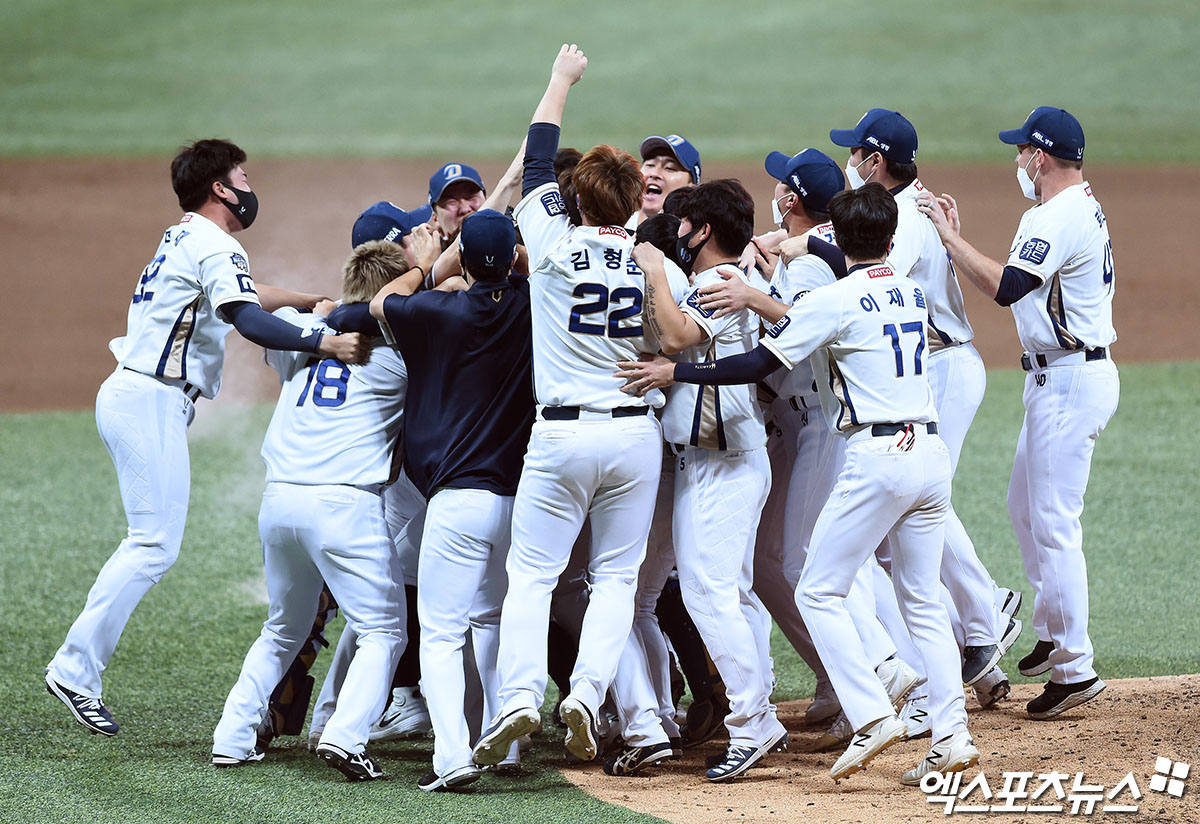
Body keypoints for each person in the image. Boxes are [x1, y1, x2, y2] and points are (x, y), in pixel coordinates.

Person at [617, 183, 979, 786]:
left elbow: (758, 366)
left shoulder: (835, 300)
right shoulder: (911, 292)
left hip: (878, 457)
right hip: (928, 454)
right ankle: (953, 732)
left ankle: (870, 712)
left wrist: (675, 368)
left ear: (839, 238)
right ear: (892, 237)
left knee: (816, 590)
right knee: (919, 599)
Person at [44, 139, 366, 736]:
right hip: (149, 399)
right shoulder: (216, 243)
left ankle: (77, 666)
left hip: (138, 395)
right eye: (240, 175)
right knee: (153, 545)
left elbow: (240, 295)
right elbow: (244, 319)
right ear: (220, 187)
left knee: (151, 541)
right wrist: (321, 339)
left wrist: (299, 300)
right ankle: (75, 668)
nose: (247, 184)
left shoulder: (185, 236)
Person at [470, 44, 664, 769]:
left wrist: (560, 79)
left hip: (559, 439)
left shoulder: (550, 239)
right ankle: (587, 692)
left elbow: (541, 152)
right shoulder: (649, 254)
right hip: (634, 437)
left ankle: (519, 695)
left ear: (579, 201)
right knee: (614, 579)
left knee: (534, 577)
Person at [918, 106, 1118, 720]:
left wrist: (950, 239)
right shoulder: (1064, 208)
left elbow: (1008, 288)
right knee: (1024, 507)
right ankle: (1056, 630)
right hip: (1057, 378)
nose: (1017, 162)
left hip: (1071, 379)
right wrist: (957, 242)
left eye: (1022, 151)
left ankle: (1075, 666)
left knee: (1054, 520)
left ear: (1042, 155)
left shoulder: (1059, 215)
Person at [828, 109, 1021, 703]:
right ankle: (980, 659)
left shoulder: (904, 218)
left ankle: (987, 609)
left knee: (917, 500)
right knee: (911, 511)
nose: (851, 163)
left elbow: (872, 282)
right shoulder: (904, 206)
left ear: (876, 162)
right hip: (930, 364)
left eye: (857, 154)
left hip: (939, 366)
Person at [211, 239, 410, 781]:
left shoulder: (303, 341)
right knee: (384, 630)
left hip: (279, 502)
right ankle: (347, 737)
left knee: (283, 627)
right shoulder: (398, 356)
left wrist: (315, 307)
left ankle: (231, 735)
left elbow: (261, 309)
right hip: (343, 503)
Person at [622, 178, 787, 782]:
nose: (678, 233)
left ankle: (754, 722)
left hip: (724, 463)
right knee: (730, 592)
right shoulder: (733, 282)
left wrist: (653, 269)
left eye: (684, 225)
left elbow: (676, 338)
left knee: (707, 592)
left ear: (704, 230)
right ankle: (757, 706)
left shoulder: (716, 285)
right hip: (724, 460)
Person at [369, 209, 535, 791]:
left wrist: (423, 266)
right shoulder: (531, 305)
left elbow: (378, 302)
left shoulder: (437, 311)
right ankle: (507, 748)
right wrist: (513, 261)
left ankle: (453, 757)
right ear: (514, 256)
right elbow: (526, 274)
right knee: (492, 620)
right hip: (518, 503)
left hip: (458, 502)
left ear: (462, 260)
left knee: (440, 633)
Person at [629, 135, 702, 228]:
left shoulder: (696, 238)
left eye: (669, 168)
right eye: (650, 165)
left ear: (691, 187)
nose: (654, 173)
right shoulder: (616, 228)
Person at [428, 162, 486, 245]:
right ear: (435, 219)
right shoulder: (429, 256)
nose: (465, 209)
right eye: (451, 202)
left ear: (487, 200)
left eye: (471, 197)